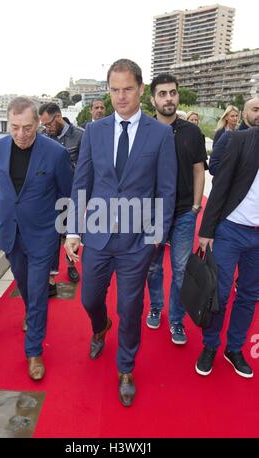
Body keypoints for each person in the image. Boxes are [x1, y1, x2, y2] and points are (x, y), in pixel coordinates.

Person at [65, 59, 177, 407]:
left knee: (130, 308)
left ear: (141, 89)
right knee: (89, 299)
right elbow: (81, 182)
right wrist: (72, 229)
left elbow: (167, 188)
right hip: (97, 235)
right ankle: (100, 326)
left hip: (136, 241)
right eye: (114, 90)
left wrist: (157, 232)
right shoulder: (94, 131)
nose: (121, 97)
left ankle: (126, 368)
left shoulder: (159, 133)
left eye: (128, 89)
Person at [0, 97, 73, 380]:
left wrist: (64, 233)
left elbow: (67, 195)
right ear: (8, 123)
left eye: (27, 127)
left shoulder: (55, 153)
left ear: (38, 123)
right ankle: (31, 314)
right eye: (15, 127)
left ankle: (34, 350)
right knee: (24, 285)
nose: (21, 134)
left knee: (38, 292)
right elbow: (3, 189)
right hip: (10, 234)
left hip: (42, 235)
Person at [146, 73, 207, 344]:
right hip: (152, 213)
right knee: (153, 268)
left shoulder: (192, 132)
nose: (168, 98)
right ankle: (156, 306)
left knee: (181, 269)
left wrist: (195, 206)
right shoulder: (145, 131)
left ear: (177, 95)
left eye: (172, 92)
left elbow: (198, 170)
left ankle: (176, 320)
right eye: (162, 93)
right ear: (153, 99)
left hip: (184, 212)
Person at [196, 126, 259, 379]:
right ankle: (210, 345)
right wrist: (206, 229)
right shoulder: (242, 140)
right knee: (218, 293)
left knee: (249, 295)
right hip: (231, 229)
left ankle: (234, 349)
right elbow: (220, 185)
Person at [39, 103, 83, 293]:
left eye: (48, 124)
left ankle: (71, 265)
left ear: (58, 117)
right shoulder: (43, 138)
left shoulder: (81, 136)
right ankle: (51, 276)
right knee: (52, 236)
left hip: (73, 194)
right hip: (50, 196)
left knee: (71, 232)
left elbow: (86, 168)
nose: (46, 128)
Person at [209, 97, 259, 176]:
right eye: (255, 110)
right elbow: (214, 166)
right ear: (244, 114)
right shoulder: (227, 136)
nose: (235, 118)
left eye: (236, 116)